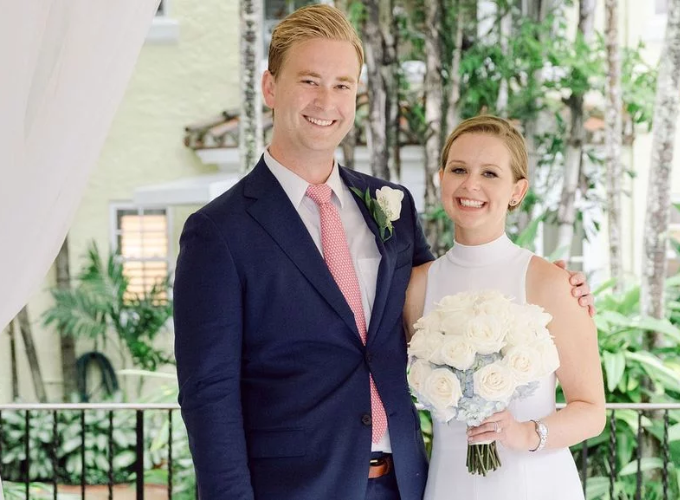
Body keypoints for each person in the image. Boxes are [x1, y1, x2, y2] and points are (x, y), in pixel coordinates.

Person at [173, 5, 594, 499]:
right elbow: (209, 395)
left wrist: (559, 293)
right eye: (309, 80)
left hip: (406, 484)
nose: (327, 100)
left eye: (343, 84)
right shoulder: (218, 232)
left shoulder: (391, 208)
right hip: (294, 488)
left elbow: (449, 302)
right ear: (271, 87)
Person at [404, 115, 606, 500]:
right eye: (459, 169)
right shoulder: (415, 287)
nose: (471, 185)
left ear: (517, 190)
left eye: (490, 174)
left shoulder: (551, 283)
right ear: (441, 177)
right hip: (449, 484)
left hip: (534, 484)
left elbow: (592, 410)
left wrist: (527, 433)